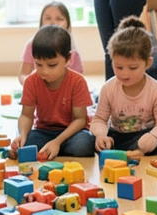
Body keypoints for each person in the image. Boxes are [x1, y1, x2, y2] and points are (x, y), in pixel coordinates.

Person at [9, 25, 94, 160]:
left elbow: (80, 119)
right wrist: (22, 137)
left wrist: (57, 142)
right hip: (44, 131)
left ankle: (54, 149)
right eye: (38, 64)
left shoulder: (77, 81)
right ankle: (51, 149)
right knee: (27, 144)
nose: (45, 71)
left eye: (52, 65)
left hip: (71, 132)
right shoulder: (31, 81)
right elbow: (26, 115)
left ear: (68, 59)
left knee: (84, 144)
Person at [90, 17, 157, 153]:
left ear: (148, 63)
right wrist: (101, 135)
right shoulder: (108, 88)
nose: (125, 74)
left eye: (133, 68)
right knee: (90, 142)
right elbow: (99, 119)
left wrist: (154, 136)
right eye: (119, 67)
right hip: (117, 137)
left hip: (145, 136)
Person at [18, 1, 84, 84]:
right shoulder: (31, 45)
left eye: (59, 19)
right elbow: (23, 74)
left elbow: (78, 79)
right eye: (48, 18)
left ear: (67, 24)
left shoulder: (72, 50)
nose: (53, 22)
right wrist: (31, 84)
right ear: (41, 22)